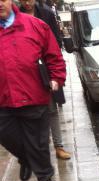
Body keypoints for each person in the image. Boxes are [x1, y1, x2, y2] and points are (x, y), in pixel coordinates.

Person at [0, 0, 66, 181]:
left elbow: (54, 56)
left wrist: (56, 79)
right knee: (6, 136)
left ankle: (45, 177)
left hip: (34, 94)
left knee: (38, 142)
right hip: (3, 99)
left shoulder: (35, 25)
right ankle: (26, 158)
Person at [20, 0, 72, 160]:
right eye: (24, 0)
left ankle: (58, 146)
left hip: (44, 69)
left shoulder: (47, 13)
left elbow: (56, 41)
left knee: (51, 109)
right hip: (25, 71)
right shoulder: (15, 17)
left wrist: (54, 71)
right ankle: (34, 149)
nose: (28, 3)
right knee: (27, 113)